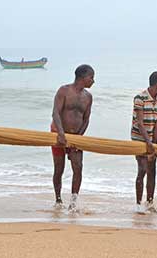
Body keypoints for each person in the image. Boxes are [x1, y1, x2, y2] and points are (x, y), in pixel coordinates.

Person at [51, 64, 94, 211]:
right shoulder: (64, 91)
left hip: (76, 137)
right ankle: (58, 199)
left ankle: (73, 202)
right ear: (82, 77)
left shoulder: (88, 97)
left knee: (78, 167)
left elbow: (86, 118)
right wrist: (61, 134)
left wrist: (78, 137)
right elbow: (56, 113)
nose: (93, 81)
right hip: (58, 133)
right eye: (91, 77)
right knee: (59, 168)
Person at [131, 71, 157, 213]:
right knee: (143, 169)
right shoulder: (140, 98)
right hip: (139, 139)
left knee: (152, 170)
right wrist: (148, 143)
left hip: (151, 139)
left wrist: (154, 144)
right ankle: (139, 204)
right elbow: (139, 123)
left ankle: (150, 203)